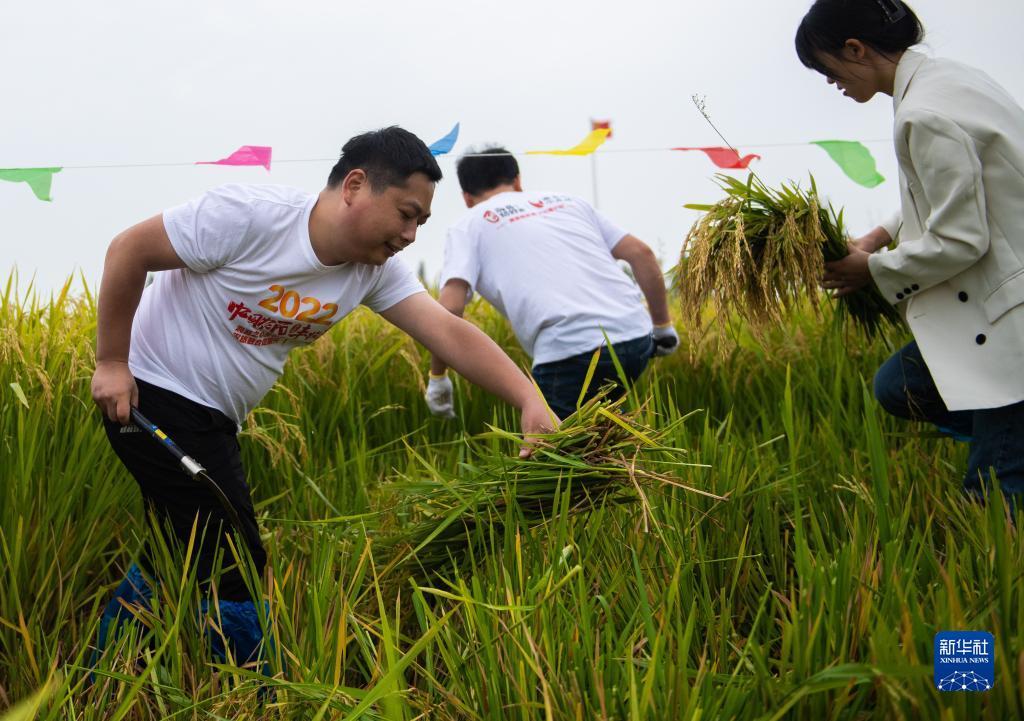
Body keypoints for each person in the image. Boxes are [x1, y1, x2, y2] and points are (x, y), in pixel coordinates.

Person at [89, 127, 553, 666]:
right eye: (406, 214)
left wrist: (528, 398)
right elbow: (129, 250)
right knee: (234, 554)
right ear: (355, 185)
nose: (410, 235)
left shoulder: (371, 272)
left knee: (178, 546)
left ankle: (102, 667)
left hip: (216, 420)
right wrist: (112, 363)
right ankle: (254, 688)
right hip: (151, 395)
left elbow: (447, 331)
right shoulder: (249, 216)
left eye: (421, 222)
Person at [798, 0, 1024, 504]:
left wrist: (871, 270)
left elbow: (963, 239)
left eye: (826, 68)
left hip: (1010, 311)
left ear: (855, 49)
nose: (829, 82)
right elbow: (946, 191)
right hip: (1002, 301)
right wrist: (880, 233)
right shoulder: (948, 82)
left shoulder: (925, 113)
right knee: (899, 385)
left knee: (990, 496)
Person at [424, 146, 679, 421]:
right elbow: (642, 254)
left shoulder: (468, 225)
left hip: (570, 350)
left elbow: (450, 308)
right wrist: (662, 328)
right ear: (518, 180)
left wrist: (438, 377)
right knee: (600, 436)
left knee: (548, 454)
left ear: (466, 197)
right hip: (635, 337)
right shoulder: (569, 202)